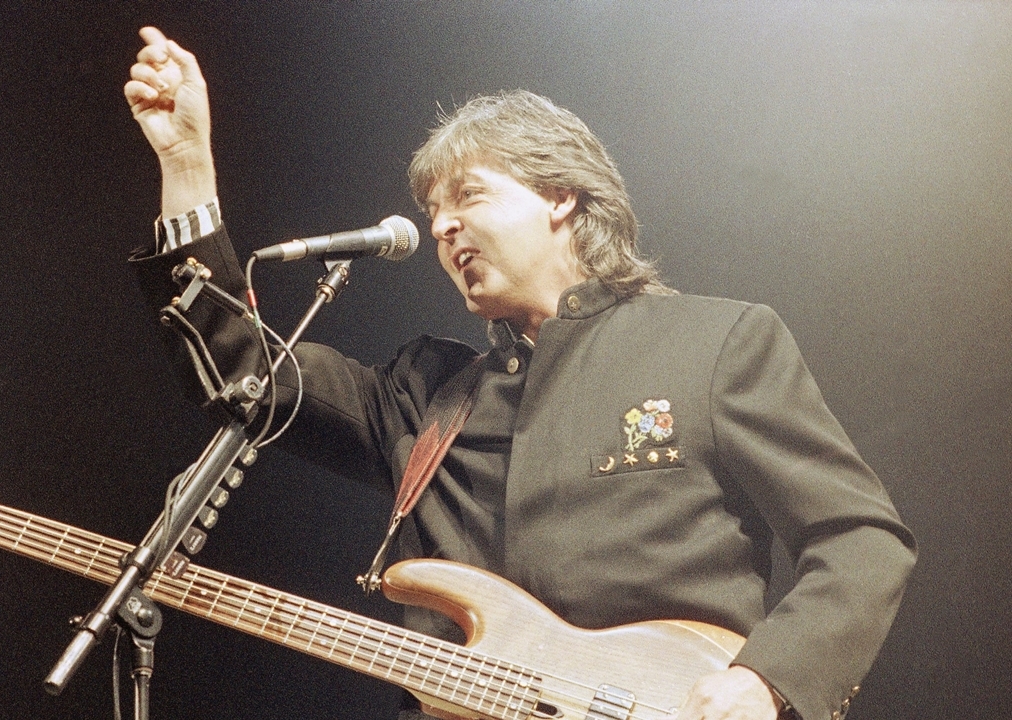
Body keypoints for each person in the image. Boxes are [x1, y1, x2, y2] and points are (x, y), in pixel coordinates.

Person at [123, 26, 915, 720]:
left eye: (467, 196)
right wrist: (188, 164)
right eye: (434, 213)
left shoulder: (718, 343)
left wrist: (765, 681)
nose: (442, 226)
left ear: (561, 195)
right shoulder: (427, 396)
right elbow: (242, 372)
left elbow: (859, 538)